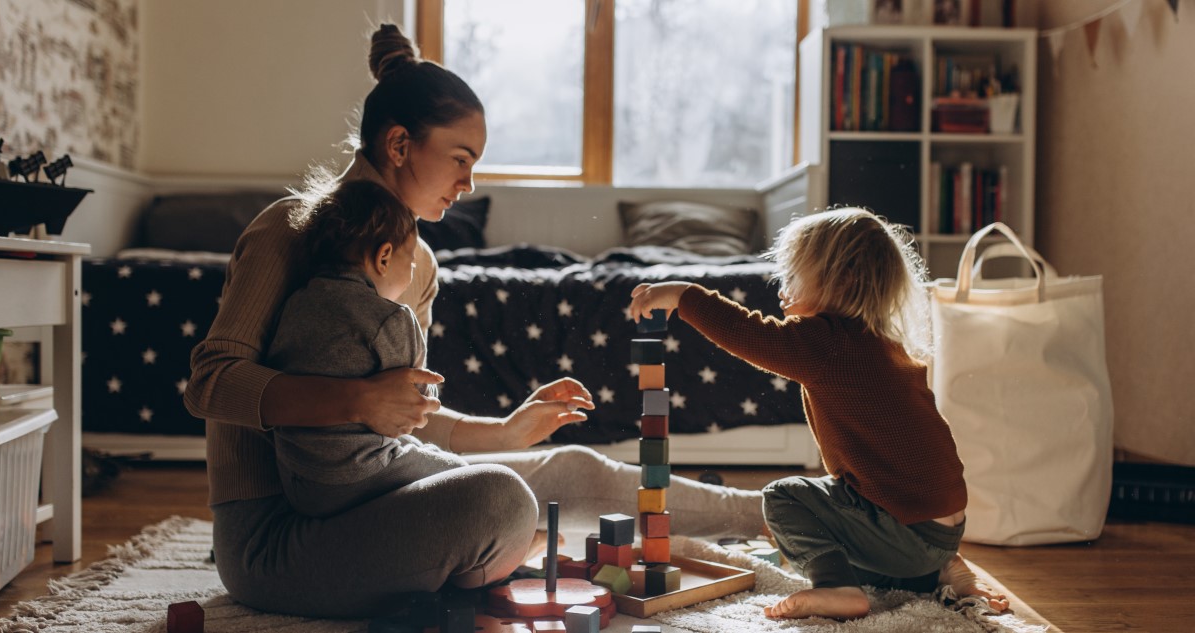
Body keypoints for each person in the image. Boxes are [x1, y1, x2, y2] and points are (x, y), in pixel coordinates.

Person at [184, 23, 766, 619]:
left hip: (375, 493)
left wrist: (506, 432)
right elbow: (210, 383)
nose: (468, 185)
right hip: (275, 539)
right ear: (399, 145)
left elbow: (405, 418)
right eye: (460, 160)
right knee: (498, 502)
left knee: (569, 467)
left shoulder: (421, 265)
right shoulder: (288, 229)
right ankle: (479, 560)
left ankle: (771, 514)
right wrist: (357, 400)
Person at [628, 207, 1010, 620]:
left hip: (905, 527)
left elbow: (749, 333)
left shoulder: (828, 341)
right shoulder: (882, 342)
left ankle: (837, 588)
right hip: (943, 528)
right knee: (836, 531)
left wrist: (684, 295)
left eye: (793, 277)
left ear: (840, 280)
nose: (781, 289)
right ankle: (937, 570)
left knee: (784, 498)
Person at [267, 179, 469, 518]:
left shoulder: (295, 303)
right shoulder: (391, 317)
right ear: (384, 257)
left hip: (299, 481)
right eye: (412, 263)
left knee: (412, 450)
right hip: (362, 470)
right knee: (464, 475)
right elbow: (418, 397)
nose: (412, 274)